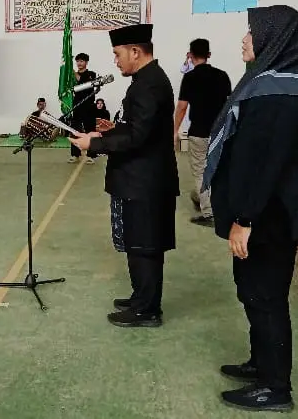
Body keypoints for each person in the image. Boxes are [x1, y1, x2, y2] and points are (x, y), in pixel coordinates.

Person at [202, 5, 298, 412]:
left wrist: (245, 219)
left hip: (270, 212)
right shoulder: (277, 81)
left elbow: (263, 164)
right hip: (270, 208)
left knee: (266, 295)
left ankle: (275, 388)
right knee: (253, 289)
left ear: (275, 38)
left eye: (251, 32)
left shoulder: (279, 91)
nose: (244, 39)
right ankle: (261, 364)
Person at [68, 23, 178, 329]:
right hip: (141, 179)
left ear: (135, 51)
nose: (115, 61)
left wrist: (95, 144)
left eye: (118, 54)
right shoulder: (146, 81)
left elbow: (138, 137)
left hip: (145, 181)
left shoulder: (148, 84)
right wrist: (107, 132)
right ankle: (142, 297)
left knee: (144, 245)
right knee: (138, 243)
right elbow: (138, 128)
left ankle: (147, 310)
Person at [173, 38, 232, 227]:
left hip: (198, 132)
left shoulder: (190, 78)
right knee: (218, 170)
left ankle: (209, 213)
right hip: (220, 132)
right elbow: (230, 105)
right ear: (209, 55)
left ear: (190, 55)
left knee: (201, 172)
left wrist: (174, 130)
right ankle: (217, 205)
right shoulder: (222, 76)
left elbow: (182, 107)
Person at [68, 53, 98, 164]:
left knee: (90, 130)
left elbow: (82, 83)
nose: (79, 63)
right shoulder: (72, 76)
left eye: (81, 61)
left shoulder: (91, 74)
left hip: (88, 106)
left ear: (86, 62)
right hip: (77, 106)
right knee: (75, 130)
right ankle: (75, 155)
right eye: (77, 61)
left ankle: (91, 155)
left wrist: (72, 71)